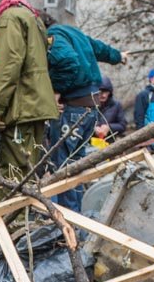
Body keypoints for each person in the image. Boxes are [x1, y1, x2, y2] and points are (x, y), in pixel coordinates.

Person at [0, 0, 57, 188]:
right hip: (34, 106)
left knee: (13, 172)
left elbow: (7, 65)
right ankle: (24, 219)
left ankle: (14, 222)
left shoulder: (10, 17)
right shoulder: (31, 16)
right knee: (29, 168)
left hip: (21, 109)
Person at [43, 15, 125, 210]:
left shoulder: (52, 36)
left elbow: (68, 62)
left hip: (73, 109)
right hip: (90, 109)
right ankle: (78, 220)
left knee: (63, 168)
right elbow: (100, 49)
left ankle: (66, 223)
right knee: (77, 166)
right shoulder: (74, 33)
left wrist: (56, 91)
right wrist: (119, 56)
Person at [97, 76, 128, 141]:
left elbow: (123, 126)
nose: (104, 95)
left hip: (111, 142)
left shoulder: (116, 105)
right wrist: (93, 129)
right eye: (101, 92)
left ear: (110, 92)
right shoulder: (90, 106)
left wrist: (109, 127)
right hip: (90, 143)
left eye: (106, 92)